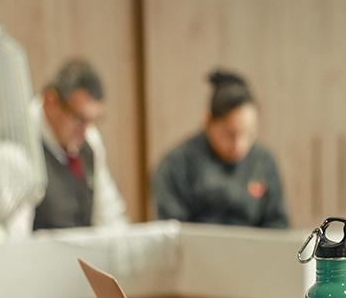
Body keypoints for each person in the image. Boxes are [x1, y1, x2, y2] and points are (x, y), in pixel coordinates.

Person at [152, 70, 289, 228]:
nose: (239, 145)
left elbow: (278, 226)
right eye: (230, 135)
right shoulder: (176, 164)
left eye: (249, 135)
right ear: (208, 121)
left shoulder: (264, 161)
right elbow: (173, 233)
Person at [29, 59, 129, 230]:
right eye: (79, 118)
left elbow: (109, 215)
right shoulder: (19, 145)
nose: (85, 129)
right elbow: (15, 236)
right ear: (51, 102)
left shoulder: (90, 139)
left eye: (93, 120)